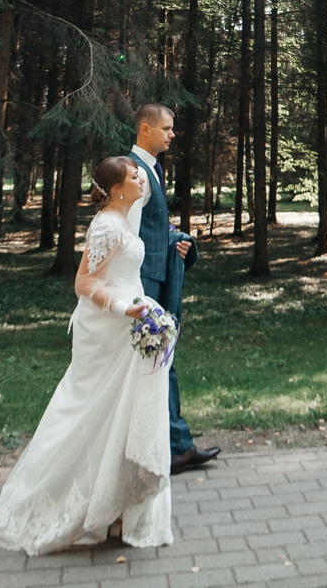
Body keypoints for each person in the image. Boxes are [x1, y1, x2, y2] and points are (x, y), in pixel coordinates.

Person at [0, 155, 173, 554]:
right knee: (91, 413)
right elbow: (84, 281)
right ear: (118, 188)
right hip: (108, 329)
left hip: (129, 325)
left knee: (119, 416)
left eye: (142, 176)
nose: (143, 182)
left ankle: (116, 506)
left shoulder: (125, 218)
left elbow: (129, 270)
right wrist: (126, 309)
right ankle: (72, 501)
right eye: (135, 178)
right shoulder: (106, 224)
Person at [125, 103, 220, 474]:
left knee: (161, 362)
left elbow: (150, 228)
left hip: (155, 278)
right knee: (155, 362)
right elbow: (126, 233)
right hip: (142, 284)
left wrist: (173, 239)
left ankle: (176, 444)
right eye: (166, 128)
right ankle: (171, 446)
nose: (172, 133)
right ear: (145, 129)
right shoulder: (135, 173)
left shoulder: (154, 169)